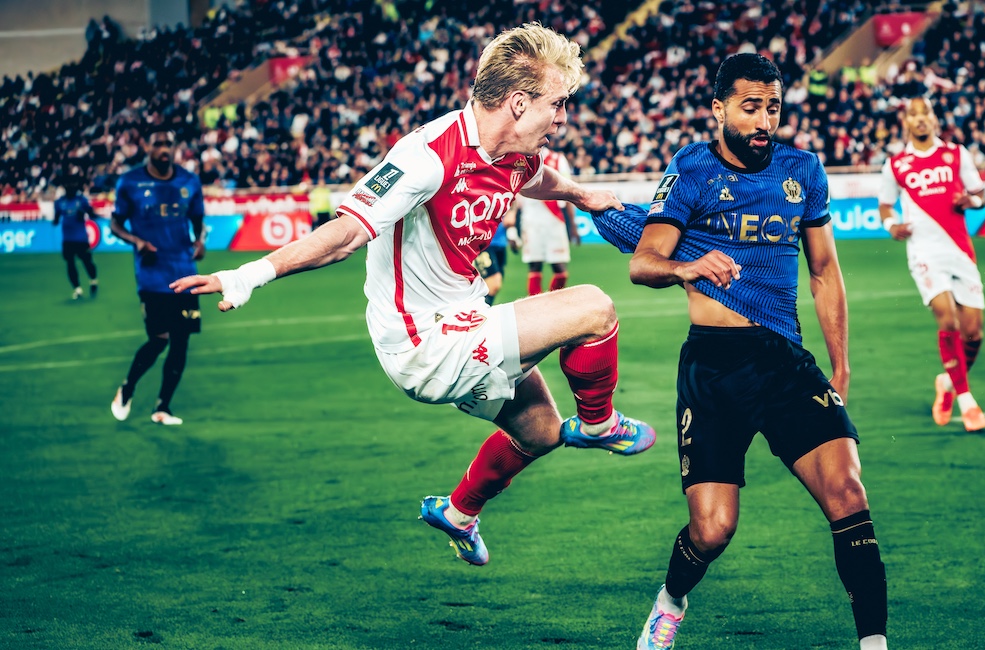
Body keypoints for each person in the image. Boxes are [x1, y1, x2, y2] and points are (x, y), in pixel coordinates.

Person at [171, 23, 655, 566]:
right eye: (558, 103)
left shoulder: (515, 150)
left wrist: (581, 195)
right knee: (593, 308)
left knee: (540, 431)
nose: (564, 117)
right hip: (422, 343)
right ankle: (598, 423)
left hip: (467, 317)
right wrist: (248, 275)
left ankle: (459, 513)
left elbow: (533, 176)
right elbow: (346, 234)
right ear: (519, 103)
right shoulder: (426, 157)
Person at [591, 53, 888, 650]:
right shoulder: (691, 168)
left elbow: (824, 272)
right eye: (751, 107)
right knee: (713, 529)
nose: (764, 120)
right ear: (719, 108)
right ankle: (671, 601)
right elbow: (643, 262)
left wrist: (841, 366)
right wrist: (687, 267)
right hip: (713, 367)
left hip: (784, 362)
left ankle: (874, 643)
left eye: (773, 107)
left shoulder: (803, 169)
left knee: (848, 494)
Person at [879, 97, 985, 433]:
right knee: (947, 318)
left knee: (974, 334)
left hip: (960, 250)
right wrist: (891, 225)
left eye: (925, 112)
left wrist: (972, 201)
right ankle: (966, 401)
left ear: (934, 118)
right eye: (913, 114)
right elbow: (885, 205)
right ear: (906, 123)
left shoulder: (957, 154)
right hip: (924, 252)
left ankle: (947, 382)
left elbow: (980, 194)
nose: (920, 119)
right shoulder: (896, 165)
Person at [109, 126, 207, 426]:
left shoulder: (189, 181)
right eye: (158, 143)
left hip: (185, 273)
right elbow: (115, 224)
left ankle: (162, 407)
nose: (164, 148)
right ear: (147, 147)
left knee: (181, 342)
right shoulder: (129, 182)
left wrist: (200, 241)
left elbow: (198, 220)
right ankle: (127, 388)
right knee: (159, 339)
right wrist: (136, 241)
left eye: (168, 143)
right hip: (151, 275)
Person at [519, 149, 579, 295]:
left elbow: (569, 189)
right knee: (535, 266)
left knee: (560, 270)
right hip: (531, 221)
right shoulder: (520, 157)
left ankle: (552, 303)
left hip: (554, 220)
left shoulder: (558, 159)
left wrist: (572, 225)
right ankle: (536, 305)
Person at [53, 174, 99, 300]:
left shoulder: (81, 200)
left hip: (81, 238)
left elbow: (91, 213)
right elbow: (56, 220)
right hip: (67, 239)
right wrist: (55, 219)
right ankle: (77, 289)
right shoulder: (59, 202)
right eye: (68, 184)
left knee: (87, 262)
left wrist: (85, 213)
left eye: (72, 184)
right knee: (70, 263)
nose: (70, 187)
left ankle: (93, 280)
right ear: (64, 186)